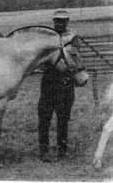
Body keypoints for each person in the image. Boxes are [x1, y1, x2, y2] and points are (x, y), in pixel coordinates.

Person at [38, 9, 76, 163]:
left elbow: (75, 56)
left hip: (67, 82)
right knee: (45, 118)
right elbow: (40, 58)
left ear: (67, 21)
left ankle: (62, 150)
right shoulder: (46, 37)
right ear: (53, 21)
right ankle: (44, 150)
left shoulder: (72, 37)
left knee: (63, 118)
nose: (60, 23)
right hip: (49, 82)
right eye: (58, 20)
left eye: (64, 20)